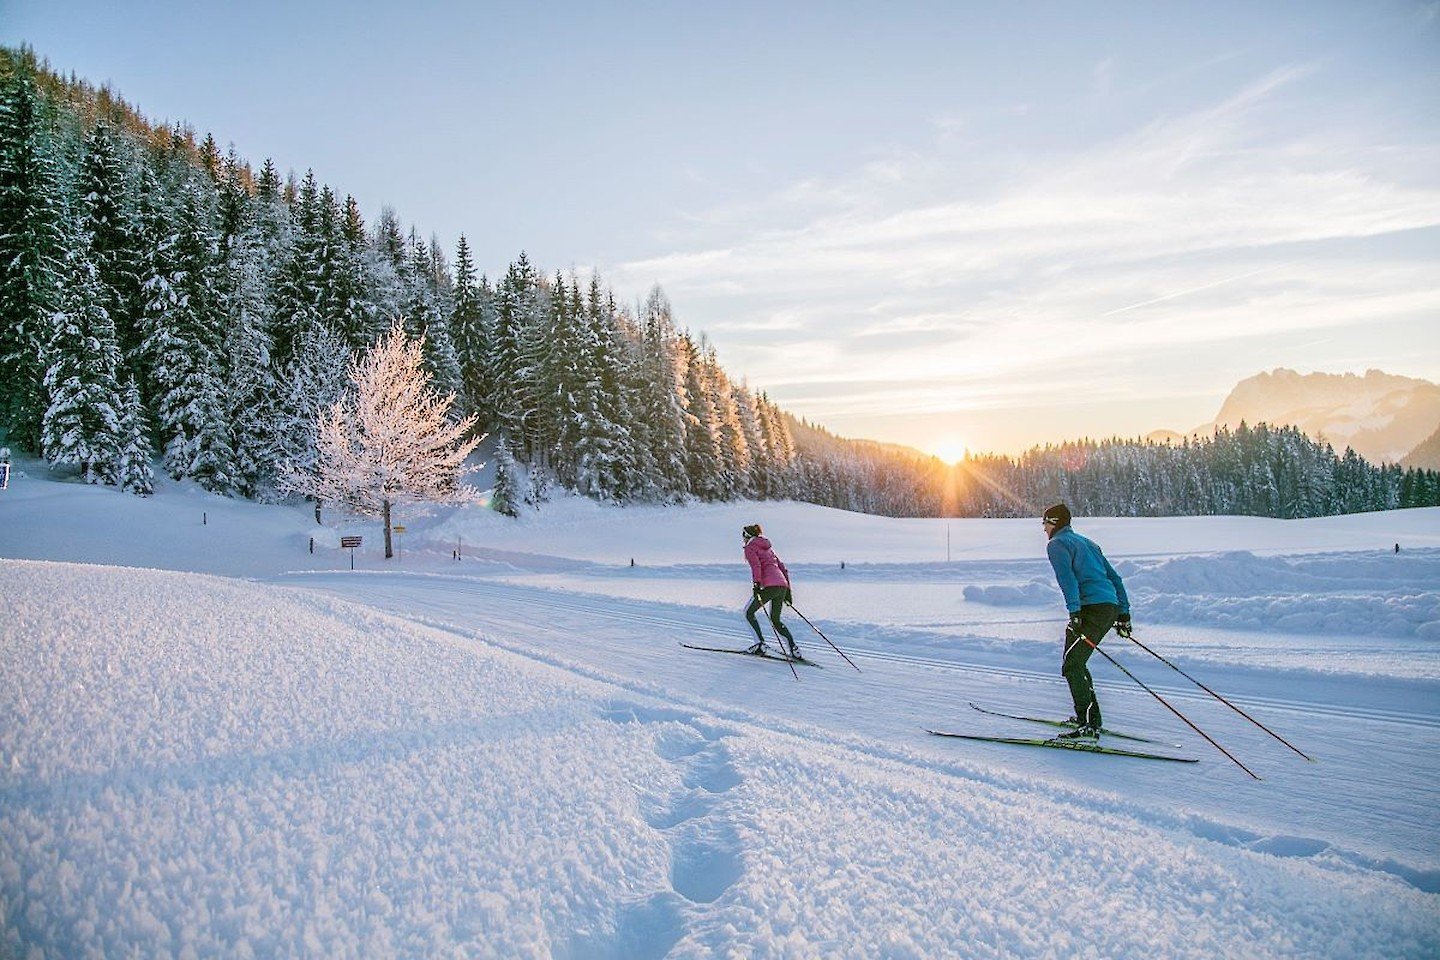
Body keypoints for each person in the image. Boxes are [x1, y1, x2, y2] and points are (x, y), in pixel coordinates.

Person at [1042, 503, 1131, 740]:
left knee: (1073, 664)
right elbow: (1114, 577)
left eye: (1045, 523)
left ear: (1054, 522)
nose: (1043, 529)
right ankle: (1087, 719)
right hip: (1107, 606)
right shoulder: (1088, 543)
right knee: (1075, 663)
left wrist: (1075, 613)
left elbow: (1067, 580)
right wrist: (1123, 614)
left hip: (1090, 609)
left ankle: (1089, 724)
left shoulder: (1057, 544)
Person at [742, 523, 801, 659]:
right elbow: (782, 568)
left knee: (748, 612)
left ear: (747, 536)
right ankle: (794, 649)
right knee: (775, 619)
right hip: (781, 585)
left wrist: (757, 584)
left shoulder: (750, 548)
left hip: (769, 586)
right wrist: (787, 592)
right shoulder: (768, 548)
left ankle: (759, 645)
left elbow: (756, 566)